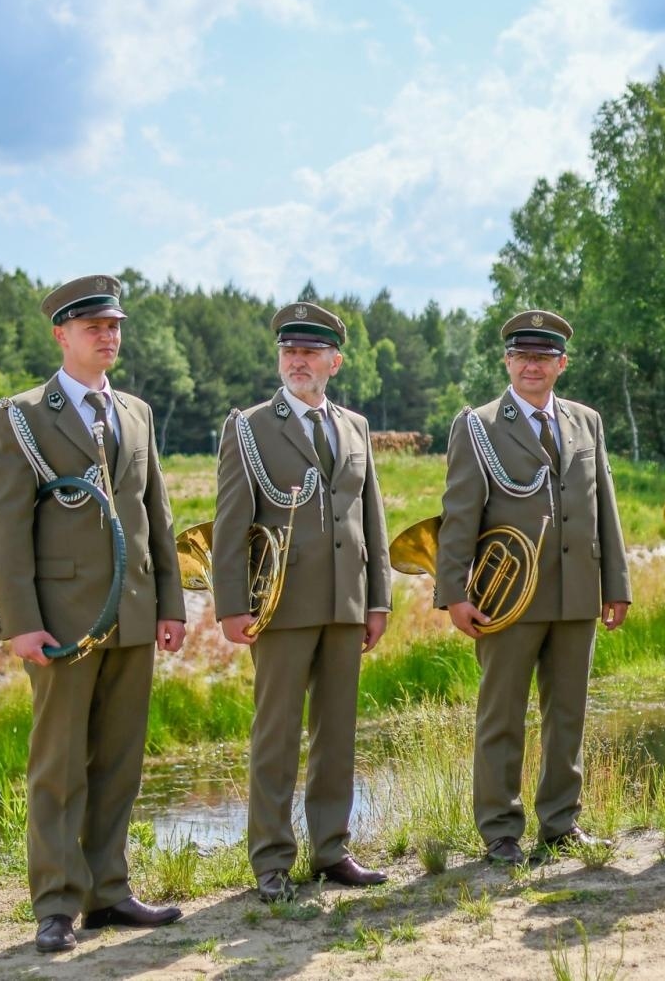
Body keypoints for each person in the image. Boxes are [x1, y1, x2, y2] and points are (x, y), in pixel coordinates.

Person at [0, 275, 188, 953]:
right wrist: (19, 622)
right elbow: (5, 531)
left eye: (114, 325)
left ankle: (109, 892)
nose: (109, 336)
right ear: (61, 334)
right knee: (58, 765)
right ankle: (55, 904)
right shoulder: (21, 415)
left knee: (120, 764)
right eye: (94, 326)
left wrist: (171, 605)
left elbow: (154, 516)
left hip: (133, 615)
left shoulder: (136, 412)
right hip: (63, 620)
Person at [434, 310, 631, 865]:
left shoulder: (586, 422)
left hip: (576, 594)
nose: (531, 366)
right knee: (502, 715)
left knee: (568, 713)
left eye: (543, 358)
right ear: (507, 362)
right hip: (507, 598)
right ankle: (500, 829)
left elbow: (604, 509)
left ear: (561, 365)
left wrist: (616, 585)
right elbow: (458, 514)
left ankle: (561, 823)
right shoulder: (478, 425)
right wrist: (453, 592)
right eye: (522, 356)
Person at [215, 301, 392, 901]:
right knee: (276, 735)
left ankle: (331, 850)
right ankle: (270, 859)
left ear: (334, 362)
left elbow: (371, 518)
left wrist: (378, 600)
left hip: (345, 604)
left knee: (337, 733)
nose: (298, 361)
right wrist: (231, 605)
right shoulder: (249, 427)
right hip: (281, 605)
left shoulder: (356, 427)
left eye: (310, 352)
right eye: (289, 351)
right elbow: (230, 523)